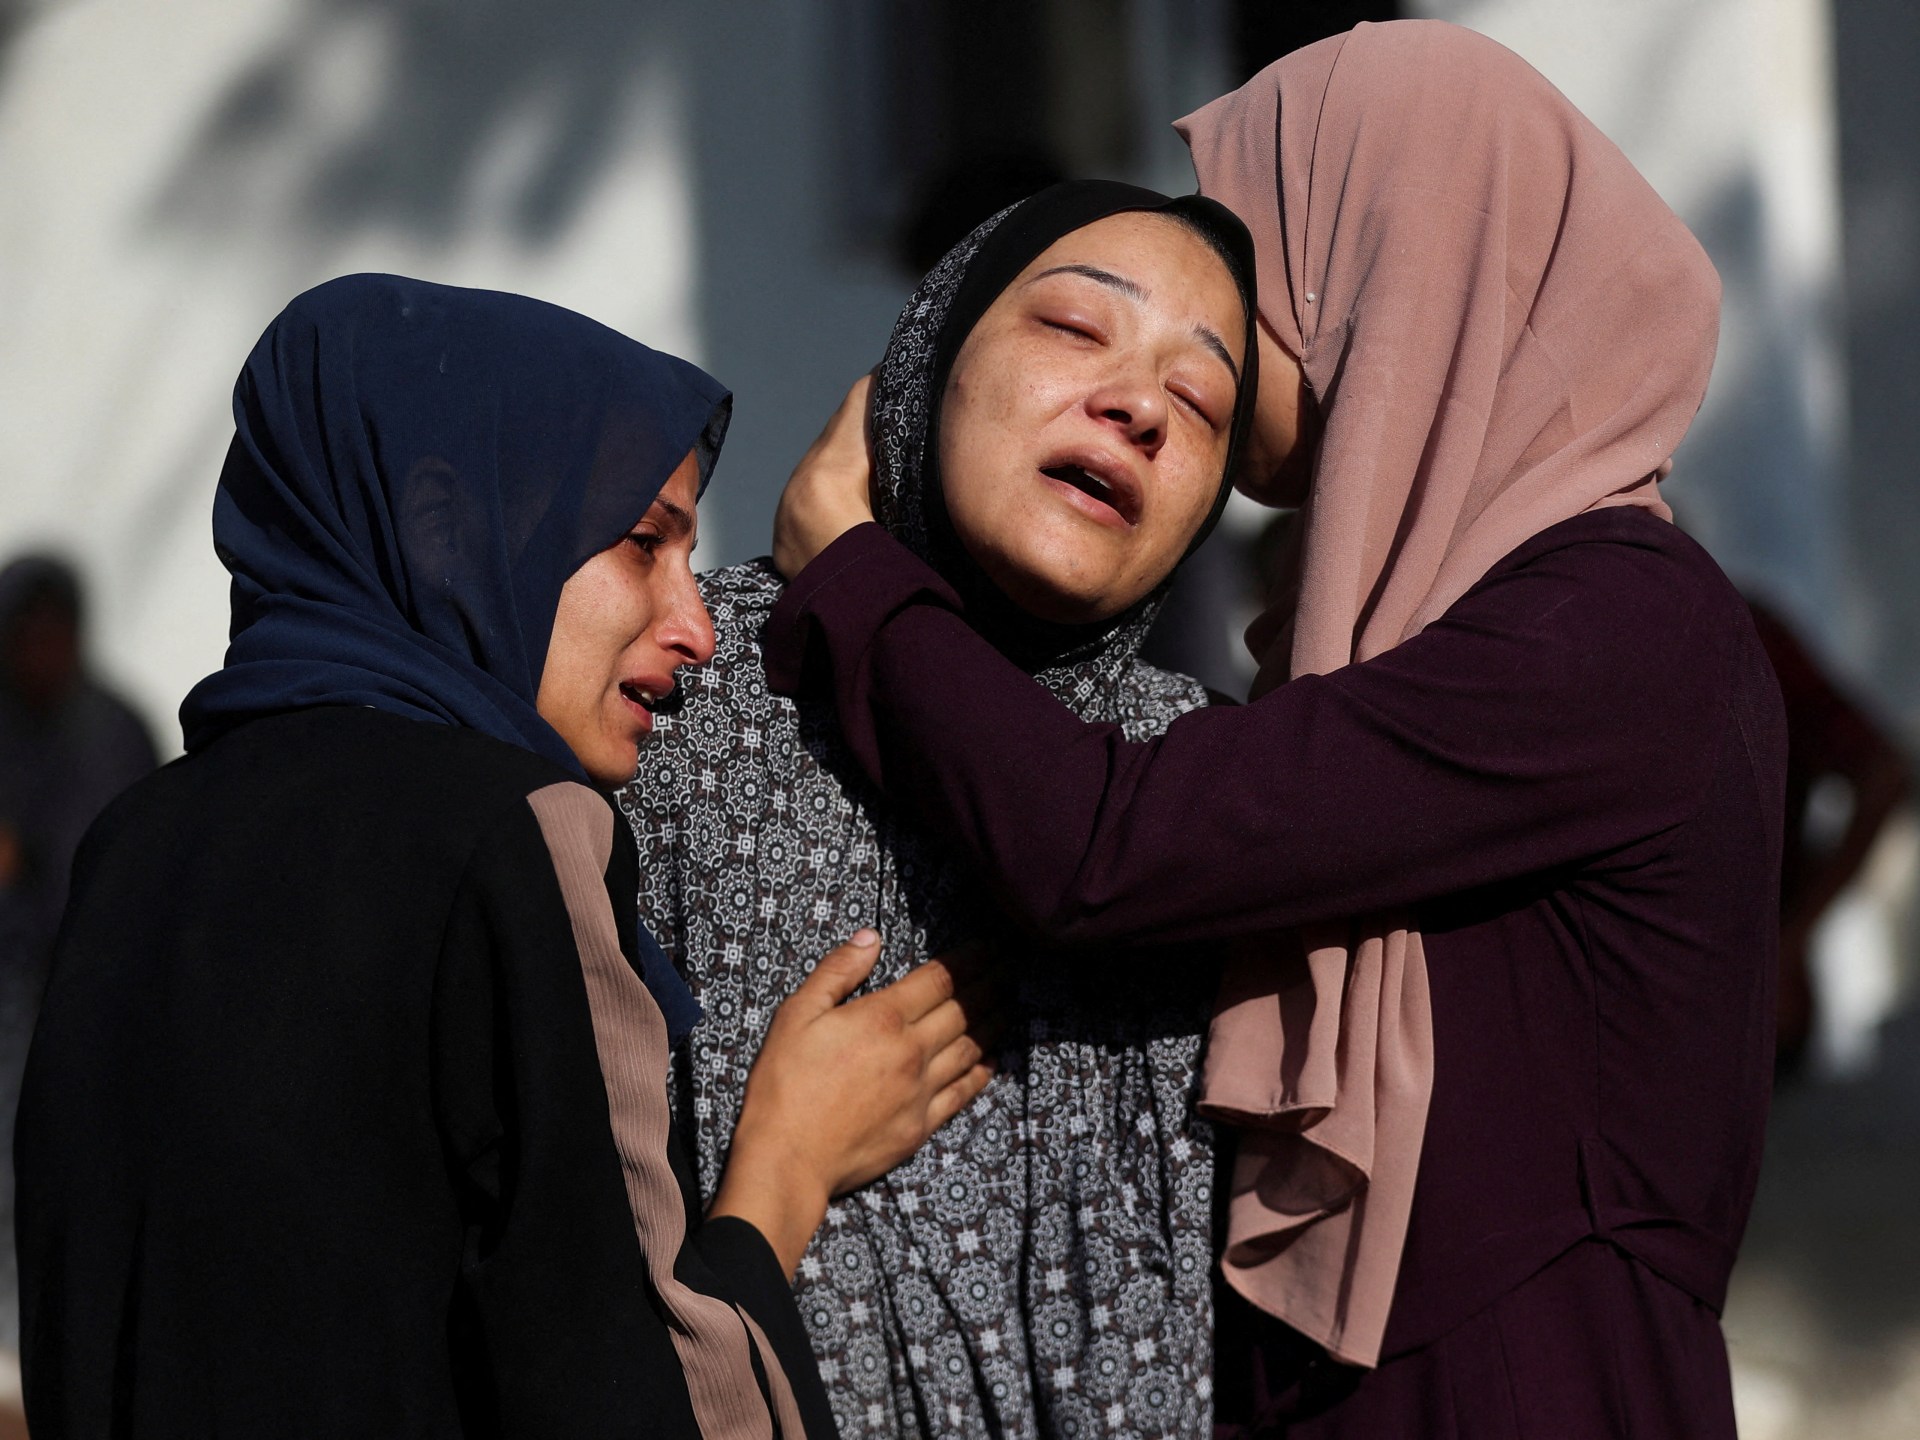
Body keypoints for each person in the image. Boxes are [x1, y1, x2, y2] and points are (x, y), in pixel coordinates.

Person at [765, 22, 1785, 1440]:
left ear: (1400, 272)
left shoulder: (1620, 623)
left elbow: (1113, 848)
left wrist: (854, 578)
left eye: (1257, 258)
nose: (1218, 318)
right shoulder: (1455, 615)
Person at [15, 274, 991, 1438]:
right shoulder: (514, 831)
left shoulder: (135, 844)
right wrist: (785, 1165)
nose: (698, 626)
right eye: (644, 542)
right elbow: (636, 1394)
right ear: (442, 526)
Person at [620, 180, 1258, 1438]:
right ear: (930, 354)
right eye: (1075, 327)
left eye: (1199, 402)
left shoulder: (1213, 786)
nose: (1140, 406)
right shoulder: (677, 695)